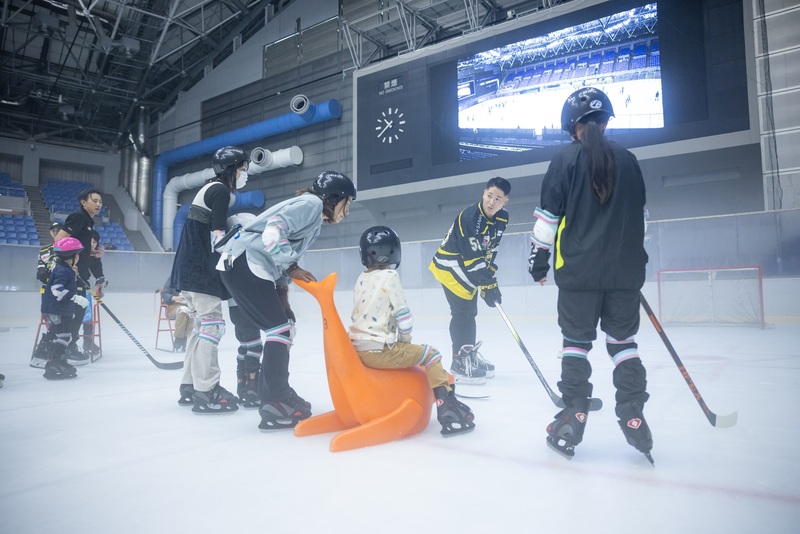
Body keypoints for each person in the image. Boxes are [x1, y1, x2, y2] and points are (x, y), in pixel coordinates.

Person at [528, 87, 653, 463]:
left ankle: (574, 414)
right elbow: (641, 222)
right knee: (623, 345)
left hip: (578, 274)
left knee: (576, 344)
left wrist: (539, 263)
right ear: (607, 120)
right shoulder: (629, 160)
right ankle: (632, 411)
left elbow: (548, 221)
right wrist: (634, 264)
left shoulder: (563, 160)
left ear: (572, 126)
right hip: (625, 275)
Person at [217, 170, 356, 430]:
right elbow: (272, 234)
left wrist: (283, 297)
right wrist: (292, 270)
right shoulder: (311, 205)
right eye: (347, 203)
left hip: (242, 263)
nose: (347, 211)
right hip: (247, 260)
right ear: (333, 197)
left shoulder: (313, 218)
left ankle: (275, 392)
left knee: (282, 328)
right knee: (279, 330)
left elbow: (284, 255)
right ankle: (275, 399)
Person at [350, 226, 475, 436]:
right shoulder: (390, 276)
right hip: (380, 351)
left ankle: (446, 401)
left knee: (417, 353)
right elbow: (404, 316)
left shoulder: (361, 278)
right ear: (393, 252)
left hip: (358, 349)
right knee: (431, 354)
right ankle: (447, 407)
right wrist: (404, 343)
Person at [169, 145, 250, 414]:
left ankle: (190, 385)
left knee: (200, 326)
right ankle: (207, 389)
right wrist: (240, 235)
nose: (245, 174)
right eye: (243, 169)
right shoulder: (220, 191)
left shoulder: (207, 188)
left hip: (188, 268)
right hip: (201, 269)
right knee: (212, 326)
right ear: (231, 170)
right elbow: (217, 237)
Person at [428, 176, 511, 385]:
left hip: (469, 269)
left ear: (505, 202)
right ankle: (459, 362)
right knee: (462, 312)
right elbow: (472, 256)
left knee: (470, 312)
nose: (492, 202)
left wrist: (489, 276)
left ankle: (469, 357)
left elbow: (491, 249)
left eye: (498, 198)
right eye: (490, 196)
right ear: (484, 193)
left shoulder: (502, 218)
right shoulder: (470, 217)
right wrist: (488, 283)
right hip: (450, 266)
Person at [53, 188, 106, 366]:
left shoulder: (89, 222)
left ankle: (68, 347)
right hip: (72, 277)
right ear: (84, 202)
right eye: (95, 200)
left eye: (100, 201)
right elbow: (59, 242)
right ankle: (63, 350)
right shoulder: (79, 217)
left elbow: (77, 247)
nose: (98, 204)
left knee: (79, 313)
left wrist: (92, 253)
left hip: (82, 275)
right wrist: (70, 265)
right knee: (72, 314)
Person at [40, 237, 90, 379]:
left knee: (64, 336)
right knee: (63, 336)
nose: (79, 256)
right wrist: (76, 298)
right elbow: (56, 289)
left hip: (62, 310)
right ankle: (54, 364)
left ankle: (58, 361)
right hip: (57, 310)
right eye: (78, 254)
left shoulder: (65, 269)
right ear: (73, 256)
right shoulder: (63, 270)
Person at [31, 222, 65, 368]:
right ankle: (44, 350)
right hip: (48, 291)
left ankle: (57, 350)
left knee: (64, 322)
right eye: (54, 230)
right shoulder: (44, 250)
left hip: (65, 290)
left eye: (59, 230)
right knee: (52, 320)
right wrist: (43, 274)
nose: (56, 232)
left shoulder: (68, 248)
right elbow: (41, 268)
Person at [160, 279, 192, 352]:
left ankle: (185, 339)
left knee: (192, 313)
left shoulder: (193, 279)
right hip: (173, 306)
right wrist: (174, 298)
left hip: (189, 305)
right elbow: (164, 293)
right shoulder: (173, 278)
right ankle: (179, 339)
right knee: (183, 311)